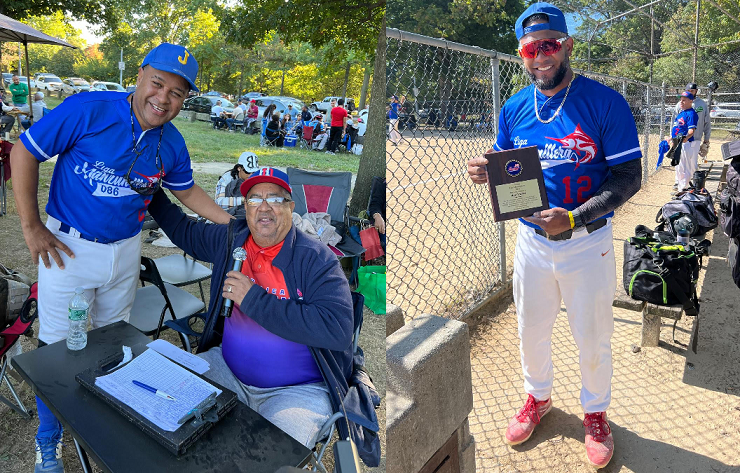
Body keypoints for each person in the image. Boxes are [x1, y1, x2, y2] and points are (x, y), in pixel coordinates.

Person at [10, 43, 233, 473]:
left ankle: (102, 425)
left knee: (114, 343)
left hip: (126, 250)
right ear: (140, 74)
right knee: (57, 348)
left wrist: (233, 225)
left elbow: (186, 191)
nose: (164, 98)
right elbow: (25, 151)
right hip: (68, 249)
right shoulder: (88, 108)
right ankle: (48, 443)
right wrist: (31, 226)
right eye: (158, 83)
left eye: (177, 93)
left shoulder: (172, 142)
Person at [466, 3, 642, 469]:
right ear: (521, 54)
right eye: (530, 47)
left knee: (592, 335)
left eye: (549, 44)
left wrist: (577, 218)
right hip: (531, 243)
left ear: (566, 45)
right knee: (531, 329)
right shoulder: (514, 107)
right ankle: (537, 398)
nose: (540, 55)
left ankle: (595, 413)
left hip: (586, 241)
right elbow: (507, 165)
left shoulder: (605, 102)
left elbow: (629, 176)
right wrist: (485, 169)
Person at [146, 167, 354, 449]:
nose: (264, 207)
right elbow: (184, 231)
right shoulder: (233, 240)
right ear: (245, 207)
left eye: (276, 199)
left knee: (271, 456)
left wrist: (254, 299)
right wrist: (150, 189)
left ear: (291, 207)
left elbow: (338, 330)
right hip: (227, 369)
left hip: (297, 391)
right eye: (255, 199)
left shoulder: (316, 259)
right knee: (165, 410)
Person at [674, 83, 711, 186]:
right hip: (680, 138)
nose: (690, 92)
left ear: (696, 91)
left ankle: (693, 184)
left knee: (692, 163)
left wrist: (706, 139)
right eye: (688, 91)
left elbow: (707, 122)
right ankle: (679, 183)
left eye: (692, 91)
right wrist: (673, 138)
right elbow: (674, 122)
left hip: (695, 137)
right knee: (679, 161)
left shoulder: (702, 104)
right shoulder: (679, 104)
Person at [214, 151, 260, 218]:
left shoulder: (257, 176)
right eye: (247, 171)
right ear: (239, 168)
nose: (251, 175)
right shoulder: (226, 179)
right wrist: (243, 200)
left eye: (254, 172)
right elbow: (219, 202)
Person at [671, 90, 699, 191]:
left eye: (684, 100)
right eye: (681, 100)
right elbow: (677, 128)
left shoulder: (691, 114)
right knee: (678, 166)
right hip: (677, 142)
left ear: (691, 101)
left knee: (684, 166)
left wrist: (685, 138)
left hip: (685, 144)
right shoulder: (681, 113)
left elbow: (691, 130)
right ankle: (680, 187)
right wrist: (670, 138)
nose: (681, 102)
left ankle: (684, 188)